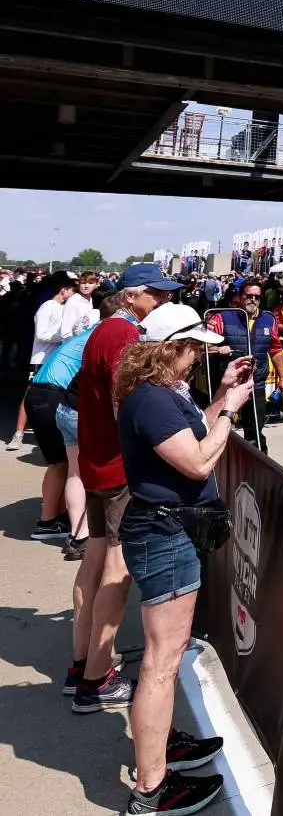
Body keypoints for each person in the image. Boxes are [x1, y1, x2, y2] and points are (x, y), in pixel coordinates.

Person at [115, 303, 253, 813]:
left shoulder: (162, 395)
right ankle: (151, 791)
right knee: (162, 662)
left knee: (163, 661)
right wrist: (233, 409)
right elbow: (197, 462)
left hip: (165, 531)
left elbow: (194, 436)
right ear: (169, 347)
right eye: (193, 347)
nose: (198, 356)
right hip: (163, 535)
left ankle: (161, 748)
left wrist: (218, 399)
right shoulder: (152, 400)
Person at [69, 265, 181, 715]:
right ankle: (96, 679)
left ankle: (82, 665)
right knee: (117, 570)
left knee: (95, 563)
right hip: (116, 469)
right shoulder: (122, 337)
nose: (162, 301)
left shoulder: (102, 331)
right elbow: (129, 404)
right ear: (134, 296)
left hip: (98, 466)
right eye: (156, 294)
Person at [23, 326, 93, 545]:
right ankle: (54, 523)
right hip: (53, 394)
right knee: (69, 466)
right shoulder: (106, 332)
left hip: (40, 392)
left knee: (59, 463)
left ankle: (52, 520)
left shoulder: (90, 332)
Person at [205, 281, 283, 454]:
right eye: (249, 296)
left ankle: (259, 462)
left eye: (257, 297)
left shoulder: (268, 319)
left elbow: (276, 350)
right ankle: (220, 460)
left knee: (256, 428)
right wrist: (217, 348)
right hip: (229, 385)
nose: (252, 300)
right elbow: (201, 345)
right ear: (240, 297)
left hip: (255, 384)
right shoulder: (222, 317)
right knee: (222, 426)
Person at [11, 271, 79, 451]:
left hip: (57, 361)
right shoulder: (47, 307)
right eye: (72, 292)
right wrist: (65, 337)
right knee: (30, 395)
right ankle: (18, 434)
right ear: (64, 290)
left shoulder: (66, 308)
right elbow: (41, 334)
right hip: (41, 359)